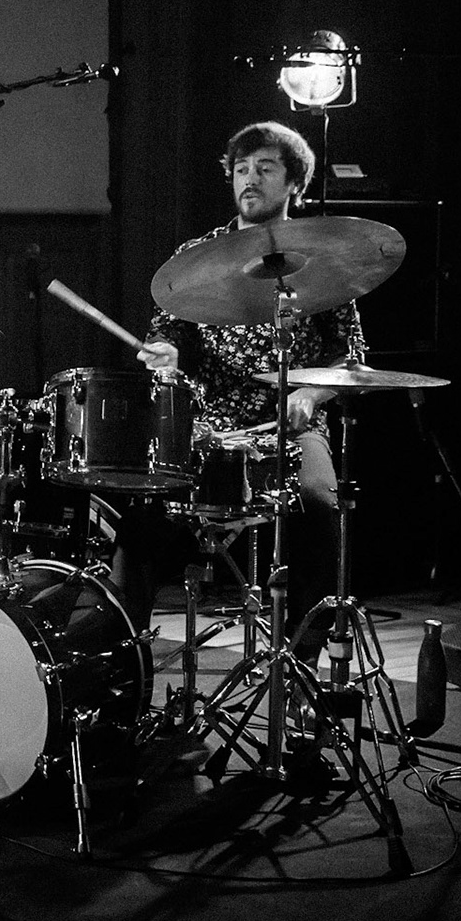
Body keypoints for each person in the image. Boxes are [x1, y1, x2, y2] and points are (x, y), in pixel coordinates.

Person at [120, 120, 364, 667]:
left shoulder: (326, 258)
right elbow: (170, 331)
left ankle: (300, 669)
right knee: (137, 523)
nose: (248, 179)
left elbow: (349, 355)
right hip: (209, 428)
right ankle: (121, 666)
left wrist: (311, 393)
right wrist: (166, 354)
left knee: (324, 512)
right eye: (241, 169)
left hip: (290, 429)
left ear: (294, 182)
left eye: (265, 168)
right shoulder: (198, 257)